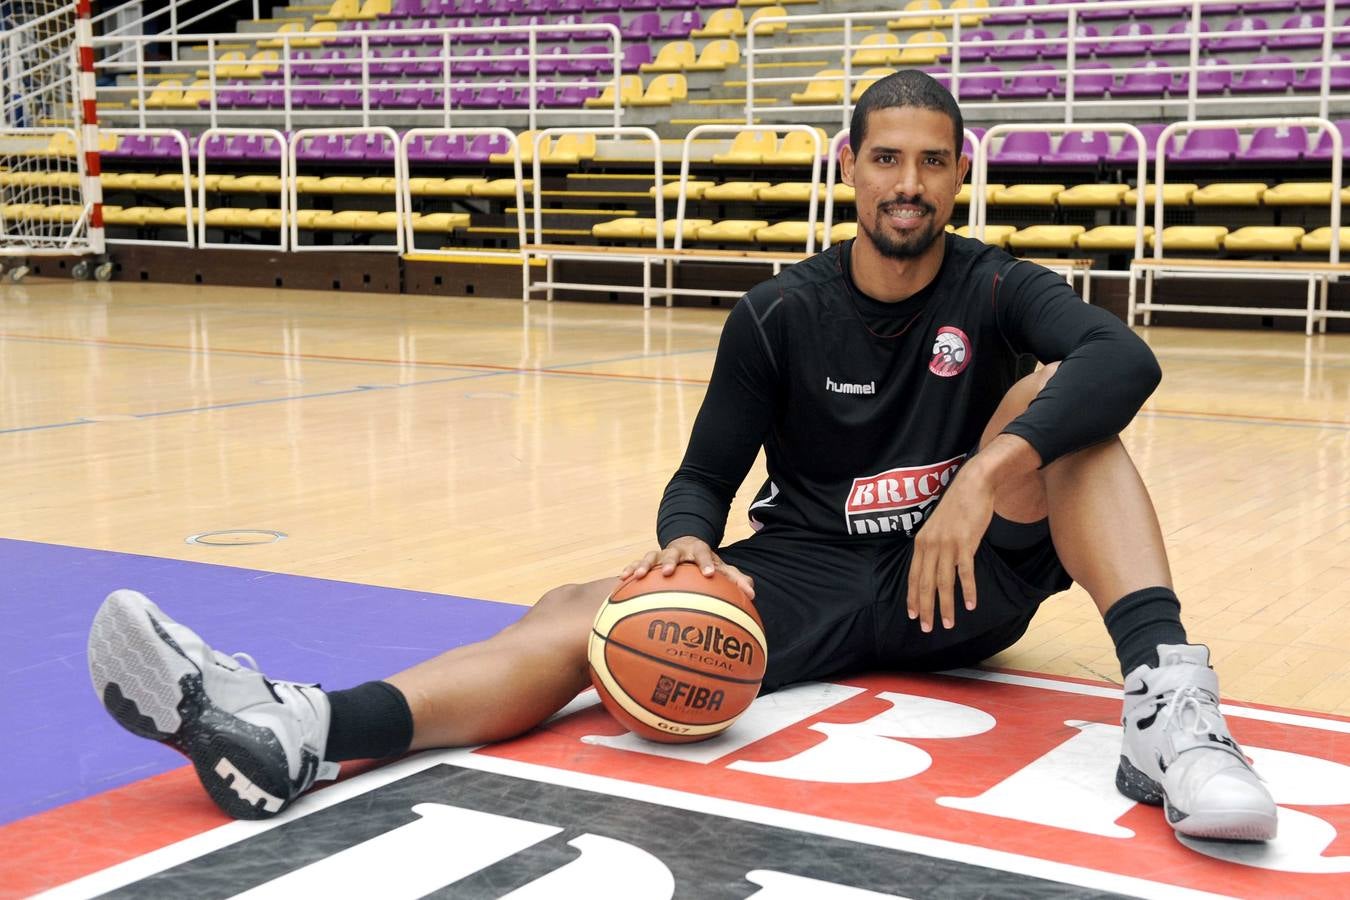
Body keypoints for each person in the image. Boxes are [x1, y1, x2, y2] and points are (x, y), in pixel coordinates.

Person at [86, 70, 1276, 842]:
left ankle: (1168, 712)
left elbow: (1125, 356)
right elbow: (705, 475)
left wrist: (978, 477)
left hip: (964, 577)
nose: (909, 183)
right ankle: (304, 728)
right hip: (805, 571)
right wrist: (689, 543)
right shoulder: (773, 314)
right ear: (847, 169)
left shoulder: (1001, 286)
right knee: (583, 610)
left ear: (961, 173)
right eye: (886, 159)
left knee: (1069, 407)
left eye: (932, 161)